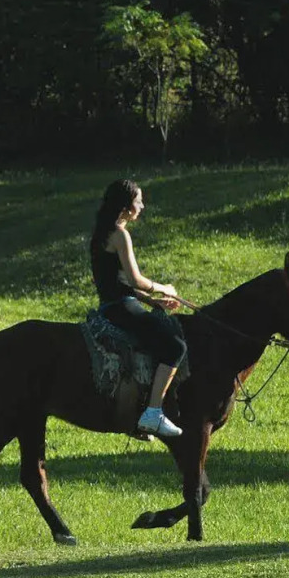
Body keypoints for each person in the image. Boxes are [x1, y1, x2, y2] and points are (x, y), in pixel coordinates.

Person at [89, 179, 186, 440]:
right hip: (121, 308)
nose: (142, 206)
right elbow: (134, 280)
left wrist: (153, 303)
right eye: (138, 201)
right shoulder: (120, 234)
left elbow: (115, 284)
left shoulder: (100, 232)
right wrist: (162, 287)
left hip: (113, 306)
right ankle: (153, 413)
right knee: (177, 347)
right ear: (125, 206)